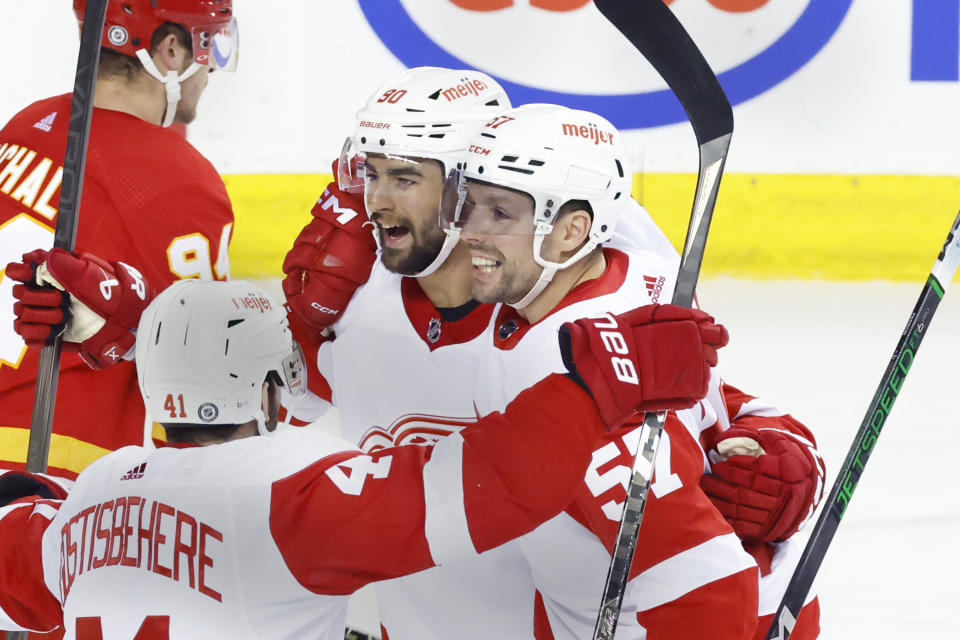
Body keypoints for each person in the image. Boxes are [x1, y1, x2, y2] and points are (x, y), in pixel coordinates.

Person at [0, 277, 725, 638]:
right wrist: (595, 382)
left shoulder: (88, 499)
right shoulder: (289, 498)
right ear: (269, 390)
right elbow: (496, 484)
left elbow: (17, 559)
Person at [0, 0, 238, 482]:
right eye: (210, 42)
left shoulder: (28, 124)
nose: (211, 67)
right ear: (171, 49)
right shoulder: (183, 181)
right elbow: (207, 368)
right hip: (68, 471)